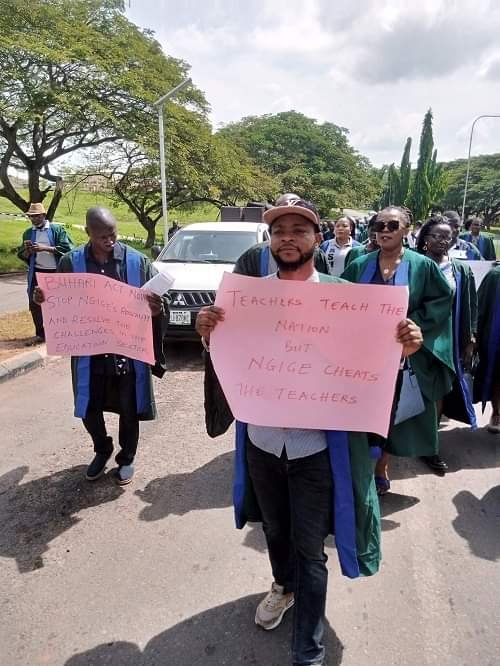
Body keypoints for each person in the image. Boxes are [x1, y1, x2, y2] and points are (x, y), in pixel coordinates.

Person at [196, 199, 423, 666]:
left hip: (315, 450)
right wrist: (207, 331)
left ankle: (308, 650)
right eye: (280, 231)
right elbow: (229, 358)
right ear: (270, 241)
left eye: (300, 230)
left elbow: (376, 363)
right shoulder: (246, 300)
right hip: (261, 443)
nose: (288, 238)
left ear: (316, 240)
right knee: (276, 530)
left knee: (310, 548)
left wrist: (404, 346)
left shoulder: (348, 298)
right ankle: (283, 586)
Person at [34, 207, 168, 485]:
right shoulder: (71, 263)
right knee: (89, 407)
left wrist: (156, 310)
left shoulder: (137, 262)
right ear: (87, 233)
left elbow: (159, 301)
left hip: (126, 351)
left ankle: (126, 458)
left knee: (129, 409)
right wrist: (43, 299)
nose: (109, 240)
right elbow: (58, 301)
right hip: (89, 351)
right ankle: (102, 448)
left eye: (113, 234)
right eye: (102, 236)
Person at [342, 206, 455, 495]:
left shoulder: (422, 266)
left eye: (392, 225)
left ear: (407, 229)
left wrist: (413, 326)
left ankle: (382, 466)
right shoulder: (359, 263)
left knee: (393, 411)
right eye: (378, 225)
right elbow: (342, 300)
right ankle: (362, 463)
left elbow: (440, 301)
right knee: (362, 409)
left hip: (401, 355)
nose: (384, 230)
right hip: (363, 353)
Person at [417, 216, 478, 472]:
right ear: (425, 239)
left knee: (440, 389)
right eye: (437, 236)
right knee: (413, 390)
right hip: (417, 336)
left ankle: (431, 446)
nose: (443, 241)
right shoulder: (413, 264)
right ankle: (403, 442)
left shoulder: (459, 269)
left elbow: (470, 305)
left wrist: (470, 337)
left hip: (447, 340)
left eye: (448, 237)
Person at [17, 202, 73, 343]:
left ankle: (60, 332)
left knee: (58, 303)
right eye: (31, 217)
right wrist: (28, 251)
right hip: (37, 272)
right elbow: (22, 254)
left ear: (43, 215)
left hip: (55, 272)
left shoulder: (57, 230)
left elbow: (68, 249)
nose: (34, 219)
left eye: (36, 216)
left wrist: (45, 248)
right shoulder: (28, 233)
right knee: (34, 303)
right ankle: (40, 334)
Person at [234, 197, 331, 277]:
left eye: (298, 231)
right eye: (278, 232)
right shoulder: (248, 293)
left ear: (318, 239)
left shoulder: (338, 294)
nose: (287, 238)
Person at [473, 263, 500, 433]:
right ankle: (497, 413)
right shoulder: (495, 276)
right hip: (497, 336)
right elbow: (479, 307)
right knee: (498, 376)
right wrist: (474, 335)